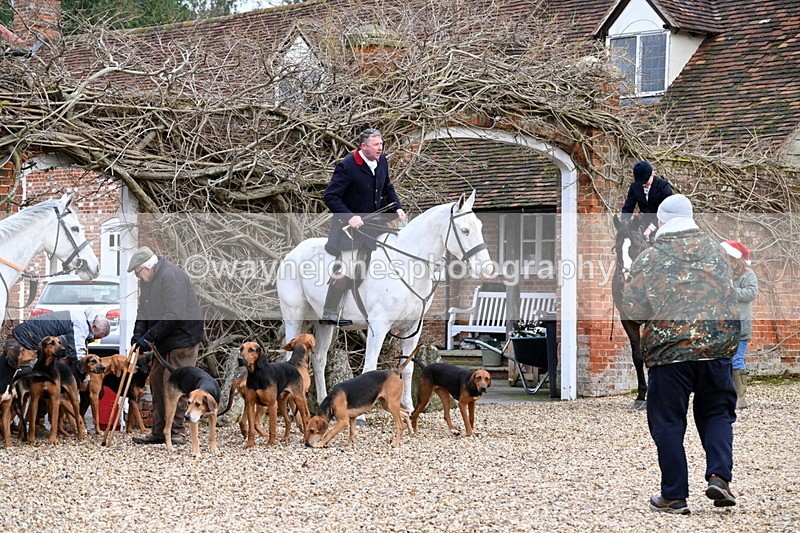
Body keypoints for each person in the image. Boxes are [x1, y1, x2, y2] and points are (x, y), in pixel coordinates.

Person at [622, 194, 740, 515]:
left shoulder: (648, 259)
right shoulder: (718, 253)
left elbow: (632, 309)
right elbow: (731, 298)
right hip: (716, 349)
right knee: (717, 413)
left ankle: (674, 496)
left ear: (661, 221)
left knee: (668, 422)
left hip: (669, 354)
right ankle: (719, 477)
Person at [321, 128, 406, 326]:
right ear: (363, 146)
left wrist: (398, 207)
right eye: (376, 145)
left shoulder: (382, 161)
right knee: (349, 264)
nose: (380, 148)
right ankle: (329, 311)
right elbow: (330, 196)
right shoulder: (347, 166)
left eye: (381, 144)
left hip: (375, 223)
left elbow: (388, 186)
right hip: (349, 228)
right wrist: (350, 217)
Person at [127, 246, 204, 446]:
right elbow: (143, 311)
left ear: (147, 267)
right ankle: (159, 431)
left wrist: (149, 336)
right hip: (163, 339)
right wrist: (138, 335)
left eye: (137, 272)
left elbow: (174, 315)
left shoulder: (171, 276)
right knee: (157, 383)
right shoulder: (147, 281)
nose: (137, 276)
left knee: (175, 386)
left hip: (183, 338)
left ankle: (176, 432)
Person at [720, 240, 758, 409]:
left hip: (740, 326)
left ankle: (740, 397)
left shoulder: (748, 274)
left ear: (734, 258)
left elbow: (751, 293)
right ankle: (726, 395)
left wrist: (730, 291)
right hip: (723, 326)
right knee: (723, 361)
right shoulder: (721, 274)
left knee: (736, 360)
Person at [10, 308, 110, 362]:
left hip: (25, 334)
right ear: (95, 327)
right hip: (26, 339)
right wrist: (85, 379)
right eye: (97, 336)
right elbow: (77, 355)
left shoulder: (80, 317)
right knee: (28, 373)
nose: (94, 338)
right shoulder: (80, 324)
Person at [621, 160, 673, 242]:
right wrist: (623, 224)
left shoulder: (663, 186)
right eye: (640, 182)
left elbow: (665, 212)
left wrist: (651, 228)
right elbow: (628, 207)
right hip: (644, 221)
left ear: (652, 174)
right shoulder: (634, 187)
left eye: (645, 181)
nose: (642, 184)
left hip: (661, 222)